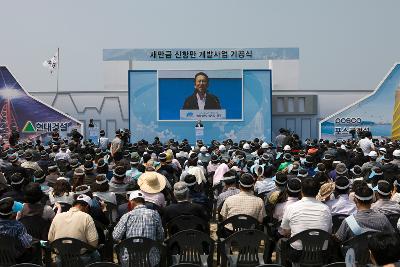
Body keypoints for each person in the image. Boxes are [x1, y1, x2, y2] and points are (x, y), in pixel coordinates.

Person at [112, 190, 164, 267]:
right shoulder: (155, 214)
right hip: (151, 260)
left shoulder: (127, 216)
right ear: (144, 202)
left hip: (130, 260)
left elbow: (116, 236)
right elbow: (161, 237)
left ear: (132, 202)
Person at [48, 194, 100, 264]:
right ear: (87, 207)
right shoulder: (86, 217)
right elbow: (94, 243)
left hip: (61, 259)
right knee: (96, 254)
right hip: (81, 259)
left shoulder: (58, 217)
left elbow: (50, 239)